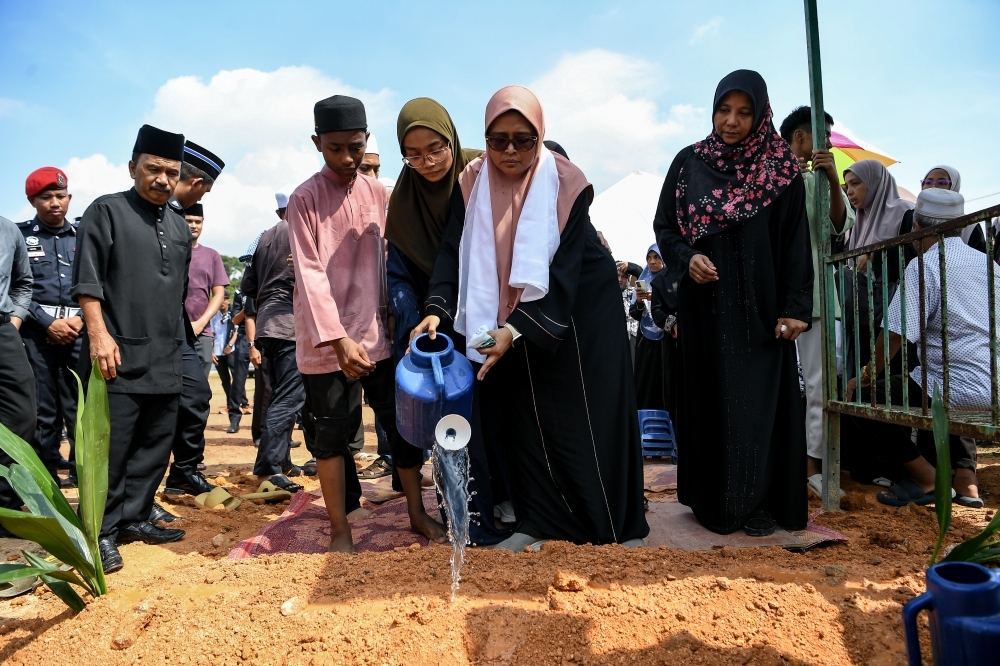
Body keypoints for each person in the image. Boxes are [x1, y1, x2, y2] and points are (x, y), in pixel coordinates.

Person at [414, 85, 649, 549]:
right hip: (511, 314)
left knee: (584, 416)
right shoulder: (471, 181)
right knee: (527, 415)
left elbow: (565, 268)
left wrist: (517, 328)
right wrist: (438, 310)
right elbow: (452, 250)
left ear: (539, 136)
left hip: (581, 308)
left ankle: (612, 525)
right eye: (497, 140)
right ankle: (539, 521)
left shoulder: (567, 181)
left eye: (523, 140)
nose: (510, 151)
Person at [654, 70, 812, 536]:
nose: (731, 121)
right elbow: (666, 227)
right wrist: (688, 258)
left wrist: (796, 307)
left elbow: (795, 243)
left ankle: (759, 502)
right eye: (724, 110)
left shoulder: (781, 169)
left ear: (760, 115)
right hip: (705, 307)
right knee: (709, 401)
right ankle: (713, 500)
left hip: (761, 310)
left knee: (756, 406)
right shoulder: (688, 163)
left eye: (744, 113)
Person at [287, 94, 445, 553]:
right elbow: (309, 273)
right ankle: (340, 530)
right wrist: (338, 340)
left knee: (402, 429)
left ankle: (416, 513)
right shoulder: (304, 199)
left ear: (367, 140)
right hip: (326, 345)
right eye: (335, 148)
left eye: (355, 147)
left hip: (380, 337)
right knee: (332, 438)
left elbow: (396, 261)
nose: (346, 158)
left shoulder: (380, 194)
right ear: (317, 143)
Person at [377, 96, 513, 544]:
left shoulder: (482, 173)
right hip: (439, 333)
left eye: (436, 149)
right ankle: (467, 516)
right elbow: (400, 275)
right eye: (413, 155)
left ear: (452, 138)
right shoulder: (404, 203)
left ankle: (514, 503)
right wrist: (419, 322)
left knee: (501, 417)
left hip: (494, 319)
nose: (428, 162)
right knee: (454, 425)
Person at [72, 124, 189, 572]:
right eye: (153, 169)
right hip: (116, 355)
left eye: (171, 172)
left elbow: (177, 292)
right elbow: (88, 283)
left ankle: (134, 517)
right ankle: (100, 531)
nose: (162, 179)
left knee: (155, 443)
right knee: (112, 448)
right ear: (132, 167)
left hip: (166, 354)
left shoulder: (178, 224)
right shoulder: (106, 211)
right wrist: (98, 335)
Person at [845, 188, 989, 507]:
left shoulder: (926, 265)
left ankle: (925, 478)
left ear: (916, 227)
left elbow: (895, 335)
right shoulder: (988, 264)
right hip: (994, 387)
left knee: (863, 397)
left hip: (950, 389)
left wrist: (866, 376)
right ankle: (963, 479)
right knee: (934, 381)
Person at [778, 106, 856, 495]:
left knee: (820, 385)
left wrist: (833, 180)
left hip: (817, 298)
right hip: (776, 296)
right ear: (800, 137)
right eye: (822, 136)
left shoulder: (818, 181)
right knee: (779, 384)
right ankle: (779, 462)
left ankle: (813, 466)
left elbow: (838, 227)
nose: (828, 144)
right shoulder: (769, 177)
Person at [160, 141, 227, 499]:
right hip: (147, 330)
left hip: (181, 328)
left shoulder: (177, 223)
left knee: (197, 394)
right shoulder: (154, 215)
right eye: (205, 192)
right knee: (156, 408)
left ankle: (184, 472)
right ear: (198, 183)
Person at [17, 168, 85, 489]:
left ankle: (81, 473)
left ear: (69, 198)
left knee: (80, 407)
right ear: (33, 201)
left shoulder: (85, 236)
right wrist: (48, 323)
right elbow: (17, 287)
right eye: (46, 197)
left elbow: (99, 282)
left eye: (60, 196)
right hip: (36, 333)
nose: (55, 203)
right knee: (43, 409)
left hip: (79, 331)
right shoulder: (20, 237)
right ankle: (46, 478)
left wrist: (79, 320)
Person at [240, 213, 303, 492]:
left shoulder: (263, 237)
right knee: (289, 397)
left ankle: (283, 461)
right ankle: (268, 469)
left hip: (267, 325)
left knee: (280, 395)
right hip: (290, 324)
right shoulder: (303, 230)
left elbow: (248, 287)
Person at [842, 160, 916, 379]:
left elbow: (913, 256)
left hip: (895, 316)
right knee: (863, 378)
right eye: (847, 186)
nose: (850, 191)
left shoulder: (905, 212)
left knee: (892, 378)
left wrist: (877, 255)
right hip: (865, 316)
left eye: (856, 183)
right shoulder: (859, 220)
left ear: (875, 182)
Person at [0, 214, 36, 528]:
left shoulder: (8, 229)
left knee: (21, 415)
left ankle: (4, 505)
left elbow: (23, 283)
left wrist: (14, 322)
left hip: (3, 330)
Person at [180, 203, 228, 378]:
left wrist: (200, 323)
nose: (193, 225)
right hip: (173, 331)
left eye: (198, 222)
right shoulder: (169, 251)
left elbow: (219, 294)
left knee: (200, 387)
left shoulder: (211, 255)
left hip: (202, 333)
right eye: (189, 221)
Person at [630, 244, 667, 410]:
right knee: (643, 380)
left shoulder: (670, 281)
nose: (652, 262)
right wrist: (639, 302)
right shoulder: (643, 281)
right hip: (645, 341)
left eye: (657, 257)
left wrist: (656, 298)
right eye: (649, 258)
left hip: (665, 342)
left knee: (662, 382)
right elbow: (635, 314)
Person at [920, 165, 987, 252]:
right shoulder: (914, 221)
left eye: (942, 183)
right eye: (928, 182)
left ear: (954, 186)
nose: (933, 187)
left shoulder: (969, 226)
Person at [210, 294, 233, 400]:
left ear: (229, 301)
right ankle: (230, 402)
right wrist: (211, 352)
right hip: (218, 352)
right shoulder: (214, 316)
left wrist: (230, 345)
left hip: (232, 350)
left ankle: (242, 402)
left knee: (237, 377)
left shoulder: (234, 314)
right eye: (220, 300)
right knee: (225, 379)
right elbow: (211, 334)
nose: (222, 302)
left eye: (225, 299)